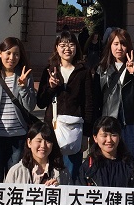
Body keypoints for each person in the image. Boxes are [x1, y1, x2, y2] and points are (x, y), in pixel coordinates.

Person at [37, 31, 93, 180]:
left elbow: (88, 104)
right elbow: (41, 103)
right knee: (50, 171)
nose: (67, 48)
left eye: (71, 44)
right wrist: (51, 87)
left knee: (72, 171)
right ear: (56, 48)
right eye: (62, 45)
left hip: (74, 130)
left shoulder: (84, 71)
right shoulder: (49, 70)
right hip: (52, 127)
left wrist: (86, 135)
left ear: (76, 48)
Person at [0, 37, 37, 181]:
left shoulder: (25, 76)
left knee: (16, 179)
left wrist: (23, 87)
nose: (12, 57)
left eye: (16, 54)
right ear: (0, 53)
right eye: (8, 53)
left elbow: (29, 107)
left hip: (18, 138)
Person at [93, 28, 134, 167]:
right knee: (108, 159)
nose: (119, 48)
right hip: (108, 119)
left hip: (129, 120)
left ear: (128, 46)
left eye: (123, 44)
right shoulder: (102, 68)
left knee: (131, 159)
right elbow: (96, 98)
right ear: (110, 45)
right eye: (116, 44)